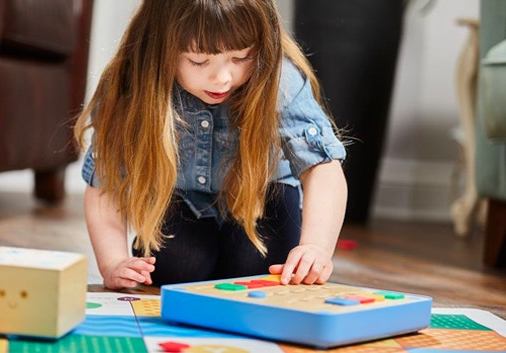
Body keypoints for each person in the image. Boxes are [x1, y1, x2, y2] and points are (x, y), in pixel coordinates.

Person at [74, 0, 347, 290]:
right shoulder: (131, 85)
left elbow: (322, 168)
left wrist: (316, 248)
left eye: (242, 57)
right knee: (174, 268)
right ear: (159, 48)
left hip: (262, 195)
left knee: (256, 268)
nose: (222, 78)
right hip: (182, 198)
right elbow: (105, 183)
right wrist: (113, 262)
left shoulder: (280, 79)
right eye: (198, 61)